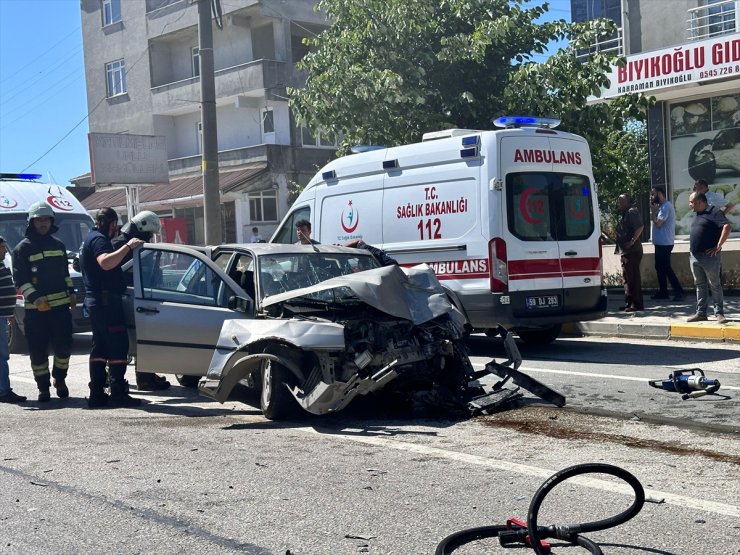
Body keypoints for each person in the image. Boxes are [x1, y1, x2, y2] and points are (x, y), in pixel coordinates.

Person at [79, 207, 145, 408]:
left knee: (100, 348)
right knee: (117, 347)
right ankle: (117, 392)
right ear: (113, 224)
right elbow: (105, 263)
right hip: (106, 304)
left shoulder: (89, 239)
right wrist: (128, 246)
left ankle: (97, 393)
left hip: (98, 302)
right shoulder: (99, 240)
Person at [12, 201, 75, 402]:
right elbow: (20, 280)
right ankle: (43, 387)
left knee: (64, 347)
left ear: (51, 221)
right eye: (38, 220)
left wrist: (71, 292)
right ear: (31, 222)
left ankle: (60, 379)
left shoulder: (59, 245)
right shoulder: (22, 248)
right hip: (36, 311)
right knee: (38, 351)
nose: (43, 223)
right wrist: (36, 298)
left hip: (61, 309)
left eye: (46, 219)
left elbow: (65, 273)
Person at [111, 210, 170, 392]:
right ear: (142, 229)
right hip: (127, 297)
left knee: (141, 337)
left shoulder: (131, 243)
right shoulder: (121, 244)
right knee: (134, 338)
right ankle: (143, 378)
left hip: (135, 296)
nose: (150, 238)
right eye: (149, 234)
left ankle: (145, 376)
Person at [687, 192, 731, 324]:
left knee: (715, 285)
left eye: (691, 202)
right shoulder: (698, 214)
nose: (690, 205)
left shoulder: (714, 212)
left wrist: (718, 245)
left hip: (709, 257)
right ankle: (701, 313)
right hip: (695, 256)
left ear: (699, 202)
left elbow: (727, 226)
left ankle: (719, 313)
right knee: (700, 285)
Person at [0, 236, 26, 404]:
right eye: (2, 247)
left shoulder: (2, 264)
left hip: (3, 315)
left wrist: (8, 312)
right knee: (1, 355)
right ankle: (3, 391)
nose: (4, 250)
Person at [649, 187, 684, 301]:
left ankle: (678, 291)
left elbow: (659, 223)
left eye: (653, 194)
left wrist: (653, 212)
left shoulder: (666, 207)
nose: (651, 197)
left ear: (660, 194)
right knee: (660, 267)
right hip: (660, 243)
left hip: (665, 243)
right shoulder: (662, 207)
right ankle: (663, 292)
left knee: (665, 267)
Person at [614, 194, 644, 313]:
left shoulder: (632, 211)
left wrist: (632, 241)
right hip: (626, 251)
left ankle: (636, 304)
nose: (619, 204)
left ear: (628, 202)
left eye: (622, 201)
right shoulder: (625, 213)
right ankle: (629, 303)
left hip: (633, 251)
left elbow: (640, 227)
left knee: (633, 278)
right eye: (619, 202)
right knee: (627, 277)